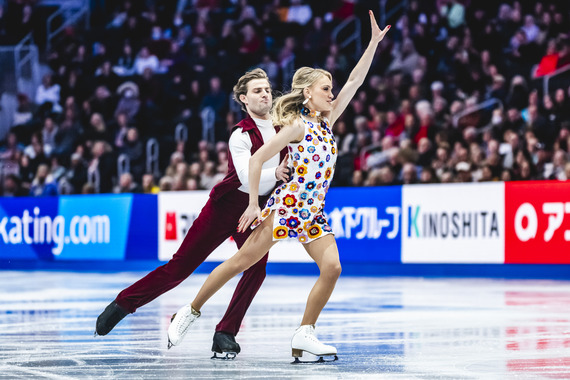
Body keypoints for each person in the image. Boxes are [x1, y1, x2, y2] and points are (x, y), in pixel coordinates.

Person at [167, 11, 390, 361]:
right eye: (325, 89)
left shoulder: (327, 121)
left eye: (331, 89)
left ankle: (305, 334)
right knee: (241, 262)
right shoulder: (296, 127)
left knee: (332, 267)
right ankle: (189, 311)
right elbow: (256, 161)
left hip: (313, 211)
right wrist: (254, 203)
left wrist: (373, 45)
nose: (332, 94)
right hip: (287, 207)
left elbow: (355, 82)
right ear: (307, 94)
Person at [95, 68, 290, 359]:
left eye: (267, 89)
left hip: (257, 210)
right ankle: (124, 303)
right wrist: (274, 172)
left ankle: (225, 332)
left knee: (256, 269)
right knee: (179, 269)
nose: (265, 94)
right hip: (225, 208)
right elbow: (246, 177)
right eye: (257, 91)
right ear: (243, 99)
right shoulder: (240, 135)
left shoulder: (283, 129)